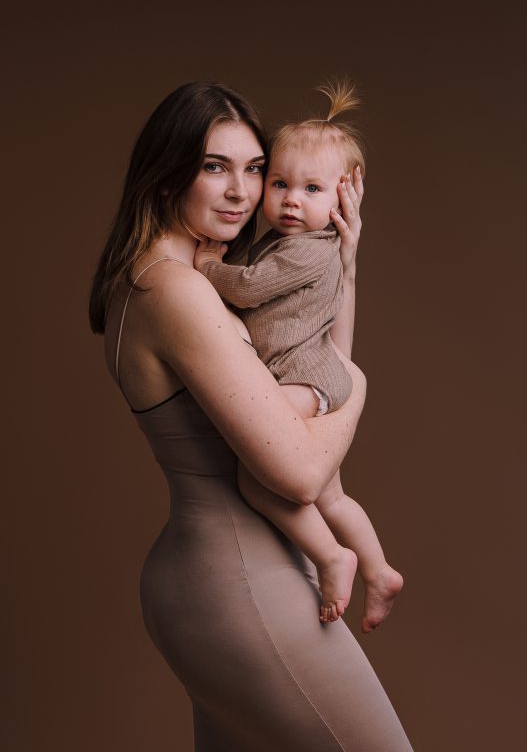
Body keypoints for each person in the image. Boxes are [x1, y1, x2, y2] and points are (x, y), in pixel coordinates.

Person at [89, 81, 413, 749]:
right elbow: (299, 469)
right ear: (167, 170)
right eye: (215, 166)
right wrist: (356, 383)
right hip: (241, 582)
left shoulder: (165, 276)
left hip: (213, 575)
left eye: (254, 169)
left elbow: (305, 358)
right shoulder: (179, 289)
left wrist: (342, 271)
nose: (241, 190)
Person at [194, 80, 403, 630]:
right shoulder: (278, 241)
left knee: (255, 476)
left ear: (343, 198)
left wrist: (208, 268)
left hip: (307, 376)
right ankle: (381, 571)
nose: (289, 199)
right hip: (307, 368)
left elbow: (246, 290)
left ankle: (333, 556)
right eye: (281, 182)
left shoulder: (312, 252)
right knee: (332, 497)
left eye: (311, 189)